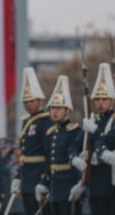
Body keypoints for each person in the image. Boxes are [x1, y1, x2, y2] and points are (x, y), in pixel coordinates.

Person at [69, 63, 115, 215]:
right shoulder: (92, 120)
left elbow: (107, 140)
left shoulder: (113, 120)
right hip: (92, 181)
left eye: (104, 99)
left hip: (109, 181)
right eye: (97, 99)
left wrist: (95, 131)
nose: (100, 103)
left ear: (112, 101)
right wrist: (75, 158)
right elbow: (75, 144)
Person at [11, 67, 53, 215]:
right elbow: (24, 154)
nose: (28, 104)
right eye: (25, 101)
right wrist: (17, 177)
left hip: (38, 178)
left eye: (31, 100)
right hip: (27, 179)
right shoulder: (25, 122)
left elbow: (49, 154)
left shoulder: (46, 121)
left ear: (40, 100)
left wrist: (44, 181)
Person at [44, 75, 82, 215]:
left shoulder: (75, 131)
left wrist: (80, 185)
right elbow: (49, 160)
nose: (54, 111)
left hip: (68, 185)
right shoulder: (51, 132)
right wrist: (43, 183)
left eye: (59, 108)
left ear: (67, 110)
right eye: (52, 108)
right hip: (54, 187)